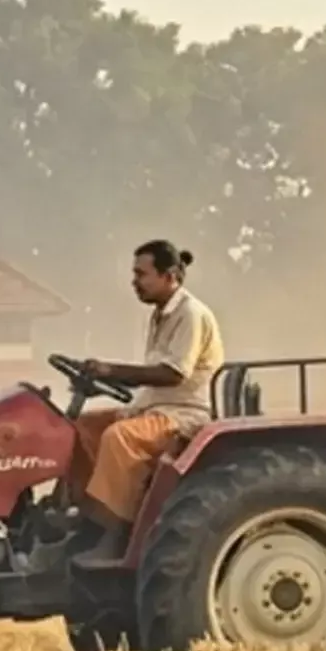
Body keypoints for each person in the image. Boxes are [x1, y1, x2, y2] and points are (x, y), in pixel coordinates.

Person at [62, 240, 224, 565]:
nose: (134, 281)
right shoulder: (160, 315)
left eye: (141, 274)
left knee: (120, 438)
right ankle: (80, 517)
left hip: (185, 414)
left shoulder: (190, 314)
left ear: (170, 276)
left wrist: (111, 369)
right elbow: (150, 376)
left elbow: (172, 374)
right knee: (80, 429)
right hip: (156, 406)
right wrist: (102, 381)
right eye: (134, 274)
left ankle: (115, 536)